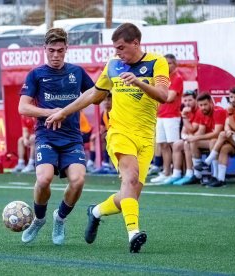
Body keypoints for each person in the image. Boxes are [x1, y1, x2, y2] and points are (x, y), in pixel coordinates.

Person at [46, 23, 169, 253]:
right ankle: (134, 234)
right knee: (130, 179)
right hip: (120, 133)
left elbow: (163, 95)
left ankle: (95, 212)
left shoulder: (156, 62)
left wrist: (139, 82)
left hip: (146, 137)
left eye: (121, 47)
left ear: (136, 43)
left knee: (129, 195)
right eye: (115, 48)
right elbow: (94, 94)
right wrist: (64, 111)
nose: (117, 53)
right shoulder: (113, 65)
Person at [18, 28, 95, 245]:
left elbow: (95, 94)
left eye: (60, 51)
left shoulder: (77, 73)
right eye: (51, 50)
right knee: (43, 179)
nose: (55, 55)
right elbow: (23, 108)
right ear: (45, 49)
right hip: (47, 137)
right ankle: (39, 219)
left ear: (66, 50)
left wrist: (71, 109)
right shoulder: (36, 74)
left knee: (78, 181)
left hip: (72, 138)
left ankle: (59, 218)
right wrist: (51, 112)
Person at [178, 92, 227, 185]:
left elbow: (217, 133)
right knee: (192, 143)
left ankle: (215, 175)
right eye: (201, 105)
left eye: (205, 104)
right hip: (214, 140)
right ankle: (197, 175)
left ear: (211, 103)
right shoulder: (201, 112)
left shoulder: (218, 111)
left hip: (224, 141)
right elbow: (201, 130)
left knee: (212, 141)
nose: (203, 107)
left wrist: (196, 137)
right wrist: (192, 138)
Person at [150, 53, 183, 184]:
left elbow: (169, 97)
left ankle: (176, 172)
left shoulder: (177, 78)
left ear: (175, 64)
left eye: (170, 63)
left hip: (172, 116)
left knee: (173, 145)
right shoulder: (162, 78)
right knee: (163, 145)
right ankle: (166, 172)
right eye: (166, 63)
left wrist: (157, 95)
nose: (168, 66)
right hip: (160, 115)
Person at [165, 89, 200, 185]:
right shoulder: (187, 111)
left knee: (186, 143)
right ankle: (176, 174)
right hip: (191, 138)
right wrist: (186, 136)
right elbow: (183, 132)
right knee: (176, 144)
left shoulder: (198, 111)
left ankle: (189, 173)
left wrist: (184, 116)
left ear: (195, 100)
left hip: (200, 139)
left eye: (190, 100)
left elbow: (192, 129)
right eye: (185, 100)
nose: (187, 103)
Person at [87, 92, 113, 173]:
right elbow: (102, 128)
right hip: (109, 134)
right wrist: (99, 134)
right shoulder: (103, 114)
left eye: (109, 100)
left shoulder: (116, 112)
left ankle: (107, 163)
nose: (106, 102)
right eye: (104, 100)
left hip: (118, 134)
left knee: (106, 137)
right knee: (95, 137)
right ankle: (91, 162)